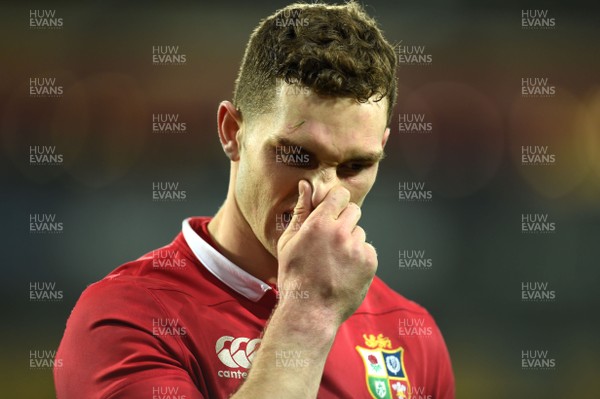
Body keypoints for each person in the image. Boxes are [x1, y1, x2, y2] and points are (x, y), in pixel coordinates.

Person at [54, 2, 455, 398]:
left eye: (356, 166)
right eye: (298, 156)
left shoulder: (409, 334)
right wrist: (308, 313)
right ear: (232, 132)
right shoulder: (123, 319)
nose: (325, 192)